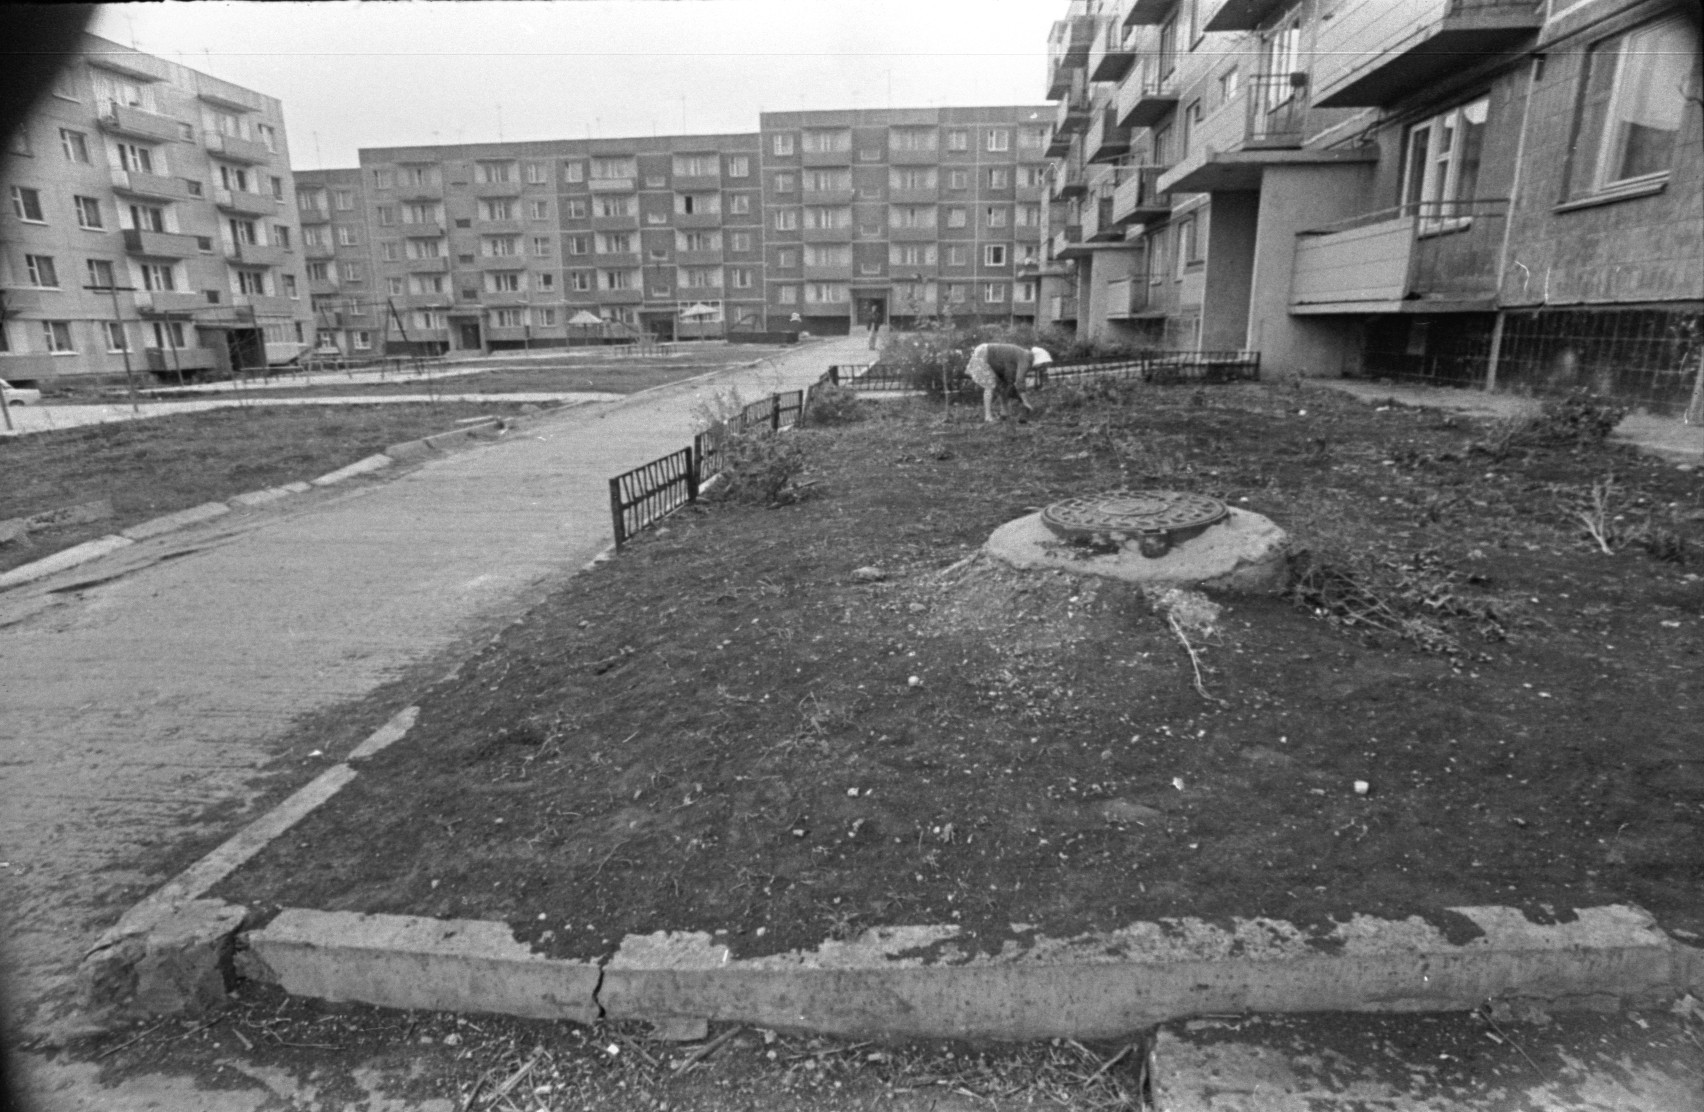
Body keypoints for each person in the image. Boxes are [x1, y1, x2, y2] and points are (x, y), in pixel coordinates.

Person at [964, 342, 1053, 423]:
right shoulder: (1025, 358)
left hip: (988, 354)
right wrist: (1025, 401)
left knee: (1004, 385)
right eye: (1043, 364)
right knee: (989, 386)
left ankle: (1004, 413)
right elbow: (1019, 381)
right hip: (984, 353)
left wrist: (1017, 395)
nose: (1042, 368)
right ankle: (988, 417)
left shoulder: (1022, 355)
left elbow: (1010, 378)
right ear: (1039, 360)